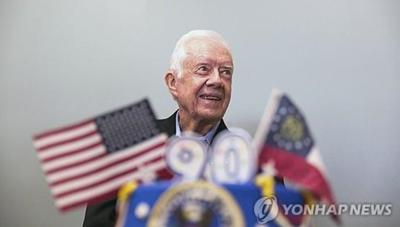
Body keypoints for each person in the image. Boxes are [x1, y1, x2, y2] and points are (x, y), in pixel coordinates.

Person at [82, 30, 234, 227]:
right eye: (203, 69)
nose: (217, 81)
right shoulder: (130, 147)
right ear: (173, 83)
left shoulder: (256, 164)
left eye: (226, 72)